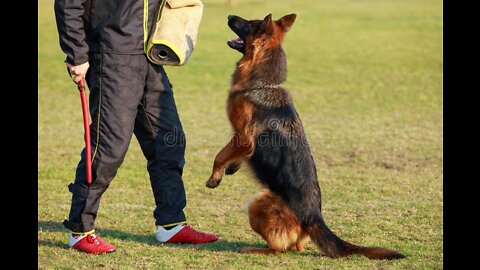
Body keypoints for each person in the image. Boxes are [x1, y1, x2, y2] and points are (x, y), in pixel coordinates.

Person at [54, 0, 218, 254]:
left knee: (168, 140)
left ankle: (171, 223)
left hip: (150, 56)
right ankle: (80, 229)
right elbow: (68, 4)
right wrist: (76, 54)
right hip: (112, 55)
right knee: (108, 148)